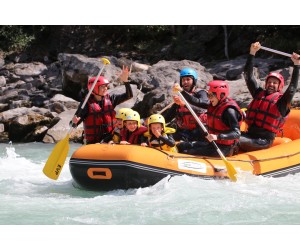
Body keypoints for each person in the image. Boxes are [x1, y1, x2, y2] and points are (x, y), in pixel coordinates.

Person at [239, 42, 300, 152]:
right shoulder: (258, 94)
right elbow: (248, 75)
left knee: (233, 139)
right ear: (266, 84)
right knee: (225, 134)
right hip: (249, 134)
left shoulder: (281, 102)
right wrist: (252, 53)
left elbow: (292, 88)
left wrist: (296, 65)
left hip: (263, 141)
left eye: (274, 83)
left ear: (279, 86)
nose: (271, 84)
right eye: (269, 82)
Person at [176, 80, 243, 157]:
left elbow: (237, 133)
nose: (209, 98)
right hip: (213, 143)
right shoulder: (213, 104)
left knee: (186, 152)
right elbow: (196, 101)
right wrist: (181, 91)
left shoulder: (229, 111)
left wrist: (217, 137)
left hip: (225, 148)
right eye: (208, 95)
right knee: (181, 146)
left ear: (221, 95)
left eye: (211, 95)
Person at [72, 66, 133, 144]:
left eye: (106, 86)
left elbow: (129, 95)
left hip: (109, 139)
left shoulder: (111, 99)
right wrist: (74, 122)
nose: (106, 89)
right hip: (93, 142)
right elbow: (73, 124)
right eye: (102, 87)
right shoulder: (86, 104)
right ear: (94, 88)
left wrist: (126, 81)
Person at [163, 67, 209, 142]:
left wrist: (184, 104)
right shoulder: (180, 96)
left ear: (194, 81)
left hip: (200, 130)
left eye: (188, 79)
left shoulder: (201, 93)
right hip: (184, 131)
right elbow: (169, 116)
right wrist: (156, 121)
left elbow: (204, 107)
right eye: (183, 80)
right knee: (165, 136)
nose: (185, 82)